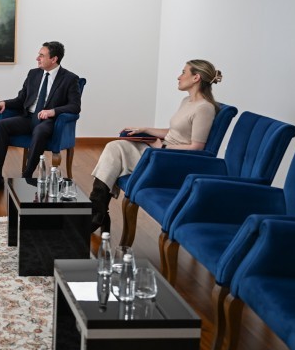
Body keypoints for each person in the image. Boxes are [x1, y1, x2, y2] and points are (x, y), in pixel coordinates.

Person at [89, 59, 223, 233]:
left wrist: (163, 148)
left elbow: (197, 147)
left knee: (114, 154)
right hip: (160, 150)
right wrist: (144, 130)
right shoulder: (186, 101)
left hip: (170, 159)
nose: (179, 77)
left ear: (196, 77)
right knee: (115, 147)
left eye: (183, 72)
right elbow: (174, 132)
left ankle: (97, 214)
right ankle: (97, 213)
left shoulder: (205, 108)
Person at [0, 41, 82, 194]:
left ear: (54, 59)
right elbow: (21, 99)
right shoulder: (33, 74)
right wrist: (4, 103)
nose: (37, 58)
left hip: (49, 121)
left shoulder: (70, 78)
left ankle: (27, 176)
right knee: (2, 125)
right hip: (28, 118)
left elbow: (75, 106)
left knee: (40, 131)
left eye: (42, 55)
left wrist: (53, 111)